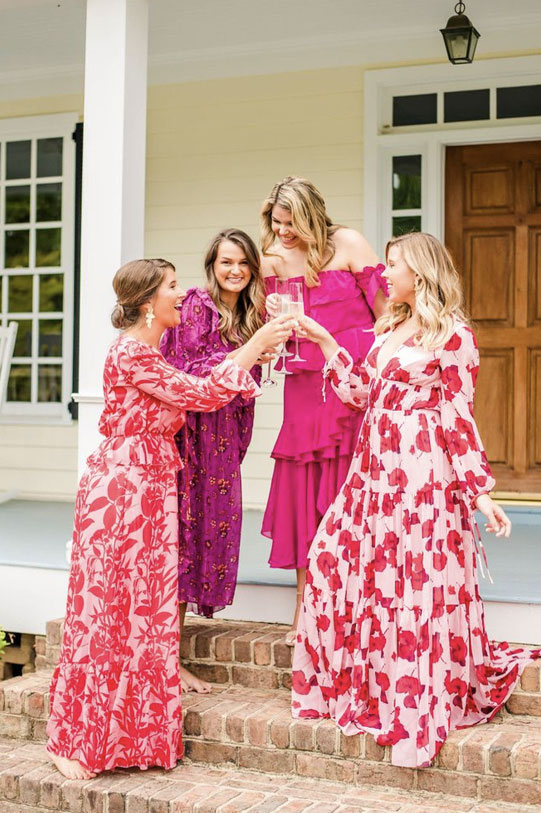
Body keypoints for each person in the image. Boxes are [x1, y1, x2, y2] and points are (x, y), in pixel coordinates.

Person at [291, 232, 541, 768]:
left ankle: (412, 698)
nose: (383, 274)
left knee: (412, 580)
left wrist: (481, 492)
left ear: (421, 274)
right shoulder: (387, 328)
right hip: (373, 470)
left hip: (422, 474)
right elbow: (361, 395)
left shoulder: (453, 335)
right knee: (329, 557)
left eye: (394, 264)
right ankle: (372, 685)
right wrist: (327, 343)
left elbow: (458, 415)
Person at [46, 258, 293, 779]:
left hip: (152, 487)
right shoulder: (132, 354)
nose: (182, 296)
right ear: (147, 305)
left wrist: (253, 356)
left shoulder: (152, 353)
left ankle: (131, 738)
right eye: (173, 288)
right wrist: (249, 350)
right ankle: (72, 741)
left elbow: (203, 386)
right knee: (109, 612)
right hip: (122, 492)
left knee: (144, 612)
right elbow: (200, 394)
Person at [260, 176, 387, 644]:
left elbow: (386, 315)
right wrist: (268, 314)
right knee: (303, 492)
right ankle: (305, 608)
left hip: (352, 381)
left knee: (349, 489)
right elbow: (264, 331)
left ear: (313, 215)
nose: (284, 232)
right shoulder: (270, 259)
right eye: (277, 222)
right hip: (302, 384)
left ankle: (358, 602)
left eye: (292, 223)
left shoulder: (349, 243)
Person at [161, 229, 270, 694]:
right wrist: (248, 352)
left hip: (224, 443)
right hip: (190, 438)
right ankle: (167, 663)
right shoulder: (193, 306)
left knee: (204, 538)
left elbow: (250, 379)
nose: (236, 271)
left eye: (244, 263)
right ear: (212, 263)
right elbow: (190, 374)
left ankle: (171, 657)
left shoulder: (250, 314)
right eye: (227, 261)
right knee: (179, 544)